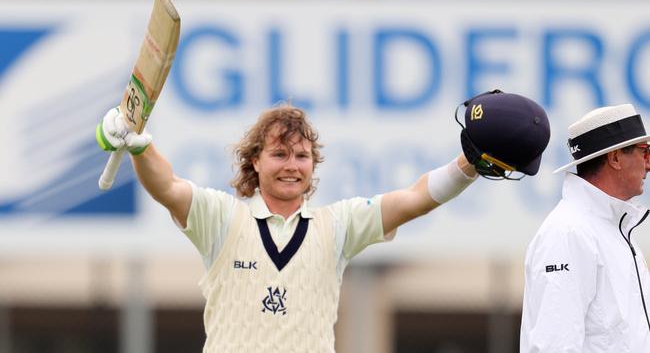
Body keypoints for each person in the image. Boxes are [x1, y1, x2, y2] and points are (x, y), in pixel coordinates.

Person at [96, 91, 549, 352]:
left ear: (313, 164)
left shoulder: (339, 225)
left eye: (301, 155)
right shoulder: (221, 217)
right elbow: (167, 187)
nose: (291, 165)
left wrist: (468, 164)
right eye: (278, 154)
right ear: (254, 161)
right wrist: (139, 146)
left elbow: (414, 199)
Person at [520, 103, 650, 352]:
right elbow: (554, 346)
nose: (648, 164)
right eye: (645, 151)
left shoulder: (611, 229)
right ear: (615, 158)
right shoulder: (569, 232)